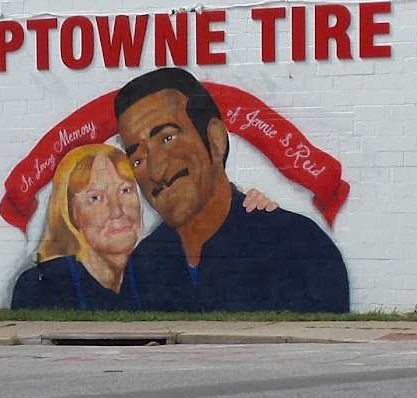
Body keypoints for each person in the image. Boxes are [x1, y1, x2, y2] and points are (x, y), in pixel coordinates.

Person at [114, 67, 349, 313]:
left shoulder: (299, 248)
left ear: (215, 140)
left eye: (167, 138)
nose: (155, 171)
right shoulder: (142, 265)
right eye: (137, 160)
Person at [10, 144, 144, 310]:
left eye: (125, 190)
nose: (117, 211)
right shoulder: (41, 287)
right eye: (95, 198)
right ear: (70, 212)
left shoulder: (156, 274)